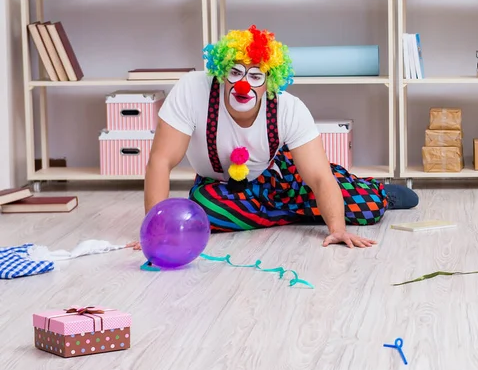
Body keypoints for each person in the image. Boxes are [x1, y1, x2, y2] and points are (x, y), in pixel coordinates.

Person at [143, 25, 418, 249]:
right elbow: (161, 161)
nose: (243, 84)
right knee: (202, 210)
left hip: (282, 179)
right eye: (235, 72)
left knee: (366, 209)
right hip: (222, 186)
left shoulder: (288, 107)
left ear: (270, 80)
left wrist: (337, 230)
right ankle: (298, 211)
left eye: (255, 75)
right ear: (221, 72)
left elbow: (319, 178)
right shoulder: (192, 90)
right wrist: (153, 231)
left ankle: (375, 192)